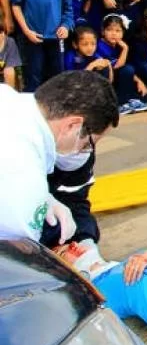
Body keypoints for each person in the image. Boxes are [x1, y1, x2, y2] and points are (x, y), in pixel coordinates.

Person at [0, 70, 118, 242]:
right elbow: (18, 253)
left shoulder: (7, 98)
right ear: (72, 125)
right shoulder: (24, 179)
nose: (85, 151)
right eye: (87, 144)